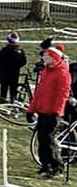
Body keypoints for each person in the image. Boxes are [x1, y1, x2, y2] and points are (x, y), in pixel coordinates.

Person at [28, 38, 71, 177]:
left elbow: (62, 95)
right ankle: (45, 164)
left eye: (46, 56)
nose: (44, 58)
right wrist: (31, 109)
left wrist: (57, 113)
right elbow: (39, 92)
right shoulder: (45, 72)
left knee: (50, 140)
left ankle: (57, 166)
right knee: (42, 139)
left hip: (52, 112)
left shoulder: (63, 74)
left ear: (53, 58)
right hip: (42, 110)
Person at [0, 32, 27, 103]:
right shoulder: (20, 51)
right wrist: (16, 66)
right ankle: (13, 103)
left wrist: (4, 65)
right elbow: (24, 61)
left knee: (3, 90)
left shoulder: (4, 50)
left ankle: (2, 104)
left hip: (4, 73)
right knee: (13, 90)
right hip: (15, 73)